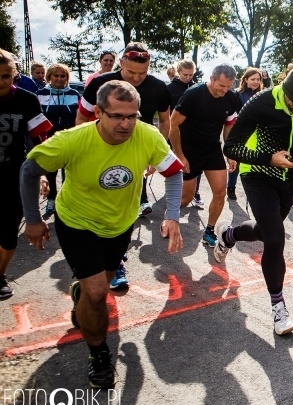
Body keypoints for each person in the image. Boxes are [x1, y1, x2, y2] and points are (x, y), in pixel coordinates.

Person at [21, 80, 183, 388]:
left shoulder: (148, 137)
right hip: (77, 223)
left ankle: (81, 295)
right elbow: (29, 169)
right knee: (98, 294)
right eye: (117, 116)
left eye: (133, 116)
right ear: (98, 112)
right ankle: (99, 354)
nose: (126, 124)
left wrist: (173, 216)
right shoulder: (72, 140)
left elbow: (174, 172)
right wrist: (32, 219)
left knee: (100, 287)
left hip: (120, 224)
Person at [214, 64, 293, 335]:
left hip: (291, 177)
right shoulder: (261, 102)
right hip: (258, 173)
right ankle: (279, 309)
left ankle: (229, 236)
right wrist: (269, 158)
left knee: (266, 231)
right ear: (284, 90)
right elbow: (230, 146)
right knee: (276, 238)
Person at [76, 42, 171, 289]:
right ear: (121, 64)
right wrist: (81, 152)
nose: (137, 78)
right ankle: (92, 262)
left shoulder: (159, 87)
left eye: (143, 73)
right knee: (96, 207)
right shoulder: (99, 83)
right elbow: (81, 118)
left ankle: (114, 259)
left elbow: (165, 120)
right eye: (131, 73)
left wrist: (156, 154)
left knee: (125, 211)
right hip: (98, 153)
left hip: (133, 156)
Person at [0, 50, 52, 299]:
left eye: (5, 76)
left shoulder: (28, 100)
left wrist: (40, 173)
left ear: (15, 75)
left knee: (9, 233)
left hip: (14, 176)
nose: (0, 82)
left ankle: (0, 275)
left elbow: (39, 141)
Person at [169, 64, 241, 247]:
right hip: (189, 151)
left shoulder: (231, 98)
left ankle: (209, 231)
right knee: (186, 198)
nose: (224, 90)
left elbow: (228, 126)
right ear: (212, 78)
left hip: (212, 150)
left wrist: (229, 153)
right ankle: (170, 218)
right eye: (221, 86)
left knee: (220, 192)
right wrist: (180, 155)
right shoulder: (194, 94)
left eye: (228, 87)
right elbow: (173, 125)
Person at [36, 63, 81, 215]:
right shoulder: (40, 93)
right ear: (49, 76)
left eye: (63, 76)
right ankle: (51, 200)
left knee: (69, 172)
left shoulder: (74, 94)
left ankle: (67, 201)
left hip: (70, 139)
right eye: (56, 75)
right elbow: (37, 118)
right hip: (49, 139)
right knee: (51, 171)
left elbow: (80, 117)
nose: (59, 79)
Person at [166, 59, 205, 207]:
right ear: (178, 72)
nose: (188, 77)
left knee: (196, 162)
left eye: (191, 75)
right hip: (175, 129)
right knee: (176, 160)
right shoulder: (170, 88)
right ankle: (175, 190)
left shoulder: (198, 87)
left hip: (194, 130)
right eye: (185, 75)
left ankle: (195, 192)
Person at [227, 67, 262, 199]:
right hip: (240, 132)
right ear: (246, 80)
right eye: (253, 79)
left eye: (258, 79)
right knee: (236, 161)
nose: (255, 82)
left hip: (257, 133)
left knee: (254, 161)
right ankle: (231, 187)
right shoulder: (237, 94)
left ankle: (253, 189)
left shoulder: (262, 94)